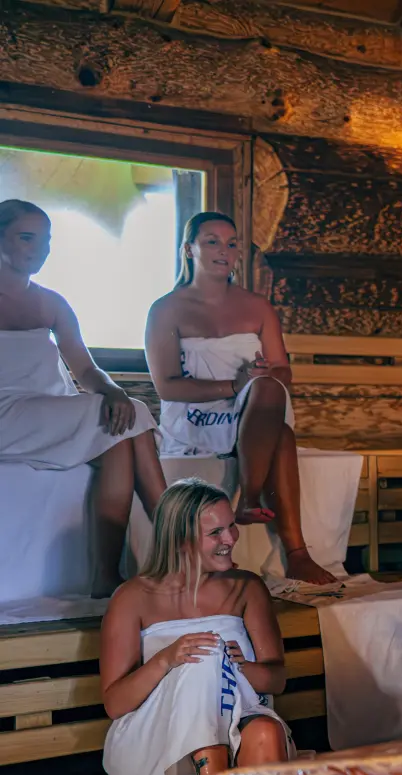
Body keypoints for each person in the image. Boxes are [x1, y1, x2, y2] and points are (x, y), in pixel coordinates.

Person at [99, 478, 291, 775]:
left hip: (240, 737)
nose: (231, 538)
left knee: (267, 730)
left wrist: (239, 667)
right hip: (158, 754)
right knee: (203, 654)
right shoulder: (133, 597)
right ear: (180, 540)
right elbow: (115, 704)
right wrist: (166, 659)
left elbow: (277, 680)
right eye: (215, 532)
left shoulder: (247, 588)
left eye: (231, 525)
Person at [145, 212, 335, 584]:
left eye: (232, 244)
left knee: (268, 390)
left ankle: (250, 499)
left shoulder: (258, 307)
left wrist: (262, 375)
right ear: (189, 249)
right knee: (282, 436)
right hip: (197, 416)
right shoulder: (166, 309)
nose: (224, 250)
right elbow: (167, 386)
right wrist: (235, 386)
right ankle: (294, 552)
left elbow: (283, 372)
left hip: (255, 407)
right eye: (212, 241)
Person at [0, 199, 166, 597]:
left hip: (49, 410)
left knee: (122, 432)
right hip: (7, 416)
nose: (40, 249)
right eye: (27, 238)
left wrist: (112, 390)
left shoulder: (52, 302)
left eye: (47, 240)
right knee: (130, 418)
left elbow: (87, 370)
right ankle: (181, 539)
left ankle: (107, 575)